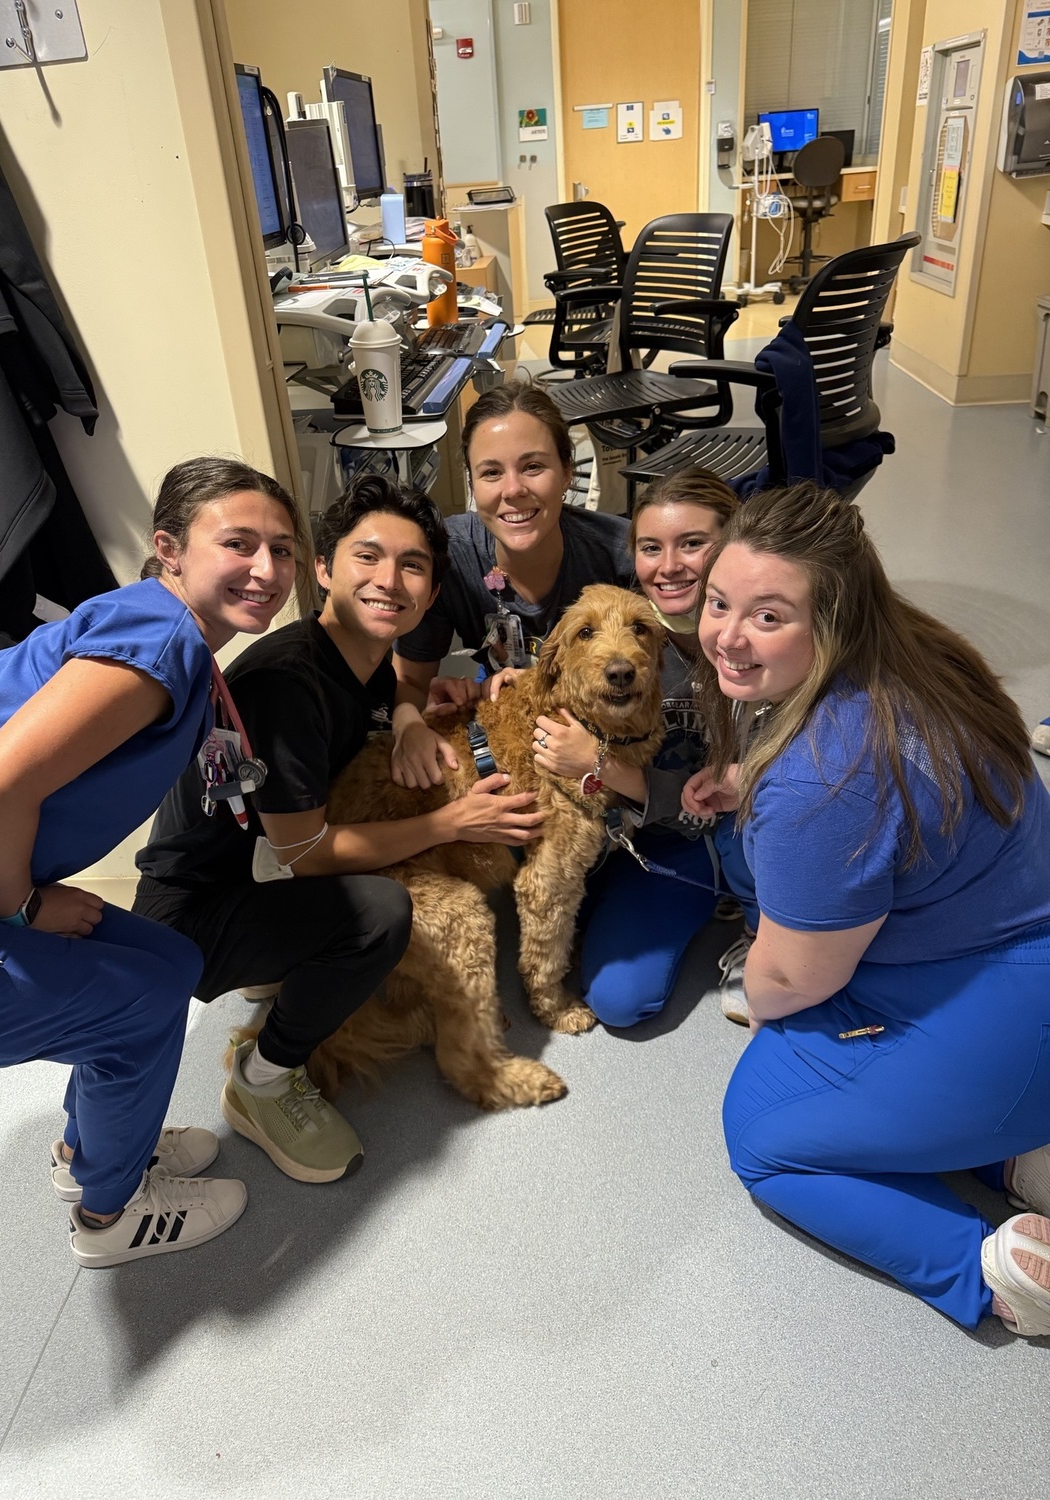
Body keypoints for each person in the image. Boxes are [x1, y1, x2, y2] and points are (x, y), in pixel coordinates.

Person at [682, 482, 1050, 1334]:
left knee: (762, 1130)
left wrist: (753, 991)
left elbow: (787, 978)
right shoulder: (918, 653)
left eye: (767, 616)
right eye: (718, 602)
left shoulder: (819, 778)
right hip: (1014, 950)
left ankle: (995, 1275)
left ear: (831, 623)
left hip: (998, 1023)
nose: (726, 637)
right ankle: (1010, 1155)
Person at [0, 456, 302, 1267]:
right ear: (169, 548)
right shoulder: (161, 640)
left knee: (168, 963)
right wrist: (23, 907)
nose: (267, 570)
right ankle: (111, 1214)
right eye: (238, 542)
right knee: (132, 1008)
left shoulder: (159, 628)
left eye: (283, 549)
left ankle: (87, 1154)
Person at [133, 476, 543, 1183]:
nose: (389, 581)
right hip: (194, 909)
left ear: (431, 588)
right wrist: (449, 819)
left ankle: (287, 965)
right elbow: (304, 852)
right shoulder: (288, 684)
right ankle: (262, 1077)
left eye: (412, 566)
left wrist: (411, 715)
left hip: (254, 868)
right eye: (367, 557)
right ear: (323, 569)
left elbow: (391, 689)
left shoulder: (354, 654)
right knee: (382, 911)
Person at [528, 468, 738, 1028]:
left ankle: (756, 915)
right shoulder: (633, 632)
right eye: (651, 547)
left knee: (622, 999)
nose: (669, 566)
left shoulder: (751, 650)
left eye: (693, 543)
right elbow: (554, 674)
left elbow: (735, 796)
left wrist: (600, 767)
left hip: (707, 839)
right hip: (630, 832)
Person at [390, 381, 634, 789]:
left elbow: (667, 683)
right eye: (490, 473)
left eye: (534, 466)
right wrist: (408, 723)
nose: (513, 490)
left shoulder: (620, 557)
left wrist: (544, 684)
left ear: (567, 472)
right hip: (510, 729)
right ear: (471, 483)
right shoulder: (451, 559)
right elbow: (410, 681)